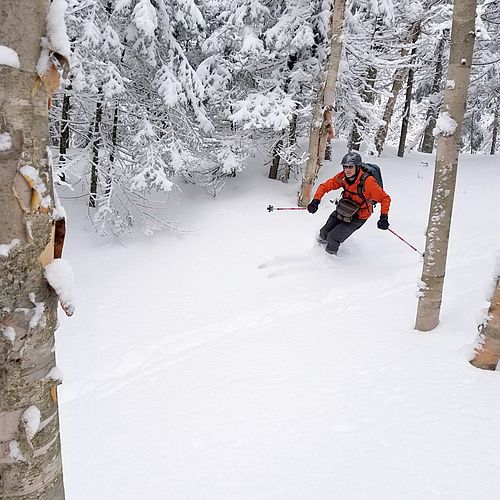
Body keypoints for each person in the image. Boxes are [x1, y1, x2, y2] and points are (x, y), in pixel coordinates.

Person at [307, 152, 391, 255]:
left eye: (350, 167)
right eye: (345, 167)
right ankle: (317, 254)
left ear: (358, 167)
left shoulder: (368, 182)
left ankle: (329, 261)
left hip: (359, 216)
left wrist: (384, 217)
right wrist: (316, 200)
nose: (347, 170)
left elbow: (385, 198)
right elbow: (324, 186)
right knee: (324, 233)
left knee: (333, 237)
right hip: (343, 209)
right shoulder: (342, 177)